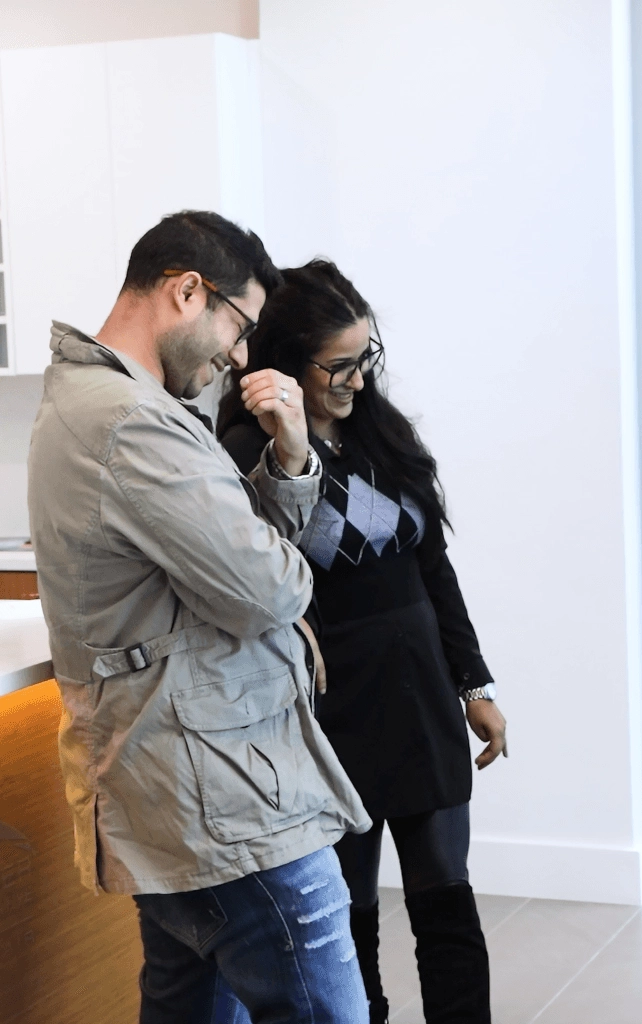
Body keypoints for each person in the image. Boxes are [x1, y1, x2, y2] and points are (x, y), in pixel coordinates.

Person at [27, 212, 373, 1024]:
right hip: (224, 799)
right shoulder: (131, 423)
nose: (240, 355)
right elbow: (270, 591)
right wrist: (281, 543)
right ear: (188, 290)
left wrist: (290, 459)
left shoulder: (110, 404)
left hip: (184, 787)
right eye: (239, 325)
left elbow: (224, 561)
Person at [218, 259, 508, 1024]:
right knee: (348, 921)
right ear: (285, 362)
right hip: (329, 710)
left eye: (366, 358)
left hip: (422, 696)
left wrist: (474, 686)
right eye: (339, 366)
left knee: (447, 899)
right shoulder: (246, 445)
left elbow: (432, 565)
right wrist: (286, 438)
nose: (356, 380)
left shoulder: (382, 429)